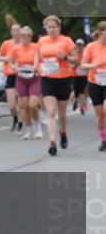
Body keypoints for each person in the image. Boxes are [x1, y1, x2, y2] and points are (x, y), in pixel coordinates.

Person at [36, 15, 79, 156]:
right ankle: (52, 142)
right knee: (50, 112)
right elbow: (37, 58)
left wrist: (65, 57)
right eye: (49, 27)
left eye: (54, 27)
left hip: (64, 79)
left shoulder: (66, 41)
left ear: (59, 27)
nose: (52, 29)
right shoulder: (42, 41)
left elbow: (76, 61)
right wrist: (37, 67)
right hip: (47, 79)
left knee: (62, 114)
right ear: (46, 28)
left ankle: (63, 132)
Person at [8, 26, 41, 140]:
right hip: (21, 79)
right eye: (23, 35)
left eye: (28, 35)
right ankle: (28, 130)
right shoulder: (16, 49)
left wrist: (36, 67)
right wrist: (15, 67)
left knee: (33, 105)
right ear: (20, 36)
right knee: (25, 106)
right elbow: (10, 62)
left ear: (31, 36)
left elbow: (40, 61)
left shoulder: (36, 47)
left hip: (34, 79)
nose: (26, 38)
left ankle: (38, 127)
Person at [79, 21, 106, 151]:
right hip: (95, 82)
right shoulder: (91, 47)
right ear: (101, 32)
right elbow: (83, 65)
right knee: (100, 114)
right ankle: (104, 139)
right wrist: (93, 65)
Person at [0, 22, 22, 132]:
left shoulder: (25, 43)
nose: (16, 32)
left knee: (21, 103)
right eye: (14, 30)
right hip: (10, 76)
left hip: (22, 76)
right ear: (11, 32)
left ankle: (21, 123)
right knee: (12, 105)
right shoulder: (6, 44)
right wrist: (7, 59)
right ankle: (15, 118)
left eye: (18, 30)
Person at [73, 38, 90, 115]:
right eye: (77, 45)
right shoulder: (73, 53)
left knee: (82, 91)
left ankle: (81, 107)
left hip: (84, 75)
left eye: (80, 45)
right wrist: (75, 65)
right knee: (76, 92)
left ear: (83, 45)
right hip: (74, 75)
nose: (79, 46)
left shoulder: (86, 54)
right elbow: (69, 64)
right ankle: (77, 102)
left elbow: (89, 64)